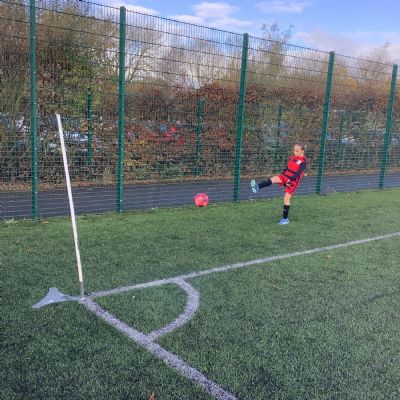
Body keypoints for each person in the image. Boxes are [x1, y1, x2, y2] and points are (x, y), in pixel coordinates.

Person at [251, 143, 307, 225]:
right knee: (274, 179)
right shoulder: (293, 157)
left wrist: (290, 180)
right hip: (285, 176)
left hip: (292, 181)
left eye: (297, 151)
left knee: (286, 199)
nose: (295, 152)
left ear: (302, 151)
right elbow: (288, 167)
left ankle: (285, 219)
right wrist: (283, 175)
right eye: (294, 150)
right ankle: (257, 187)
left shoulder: (303, 161)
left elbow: (298, 173)